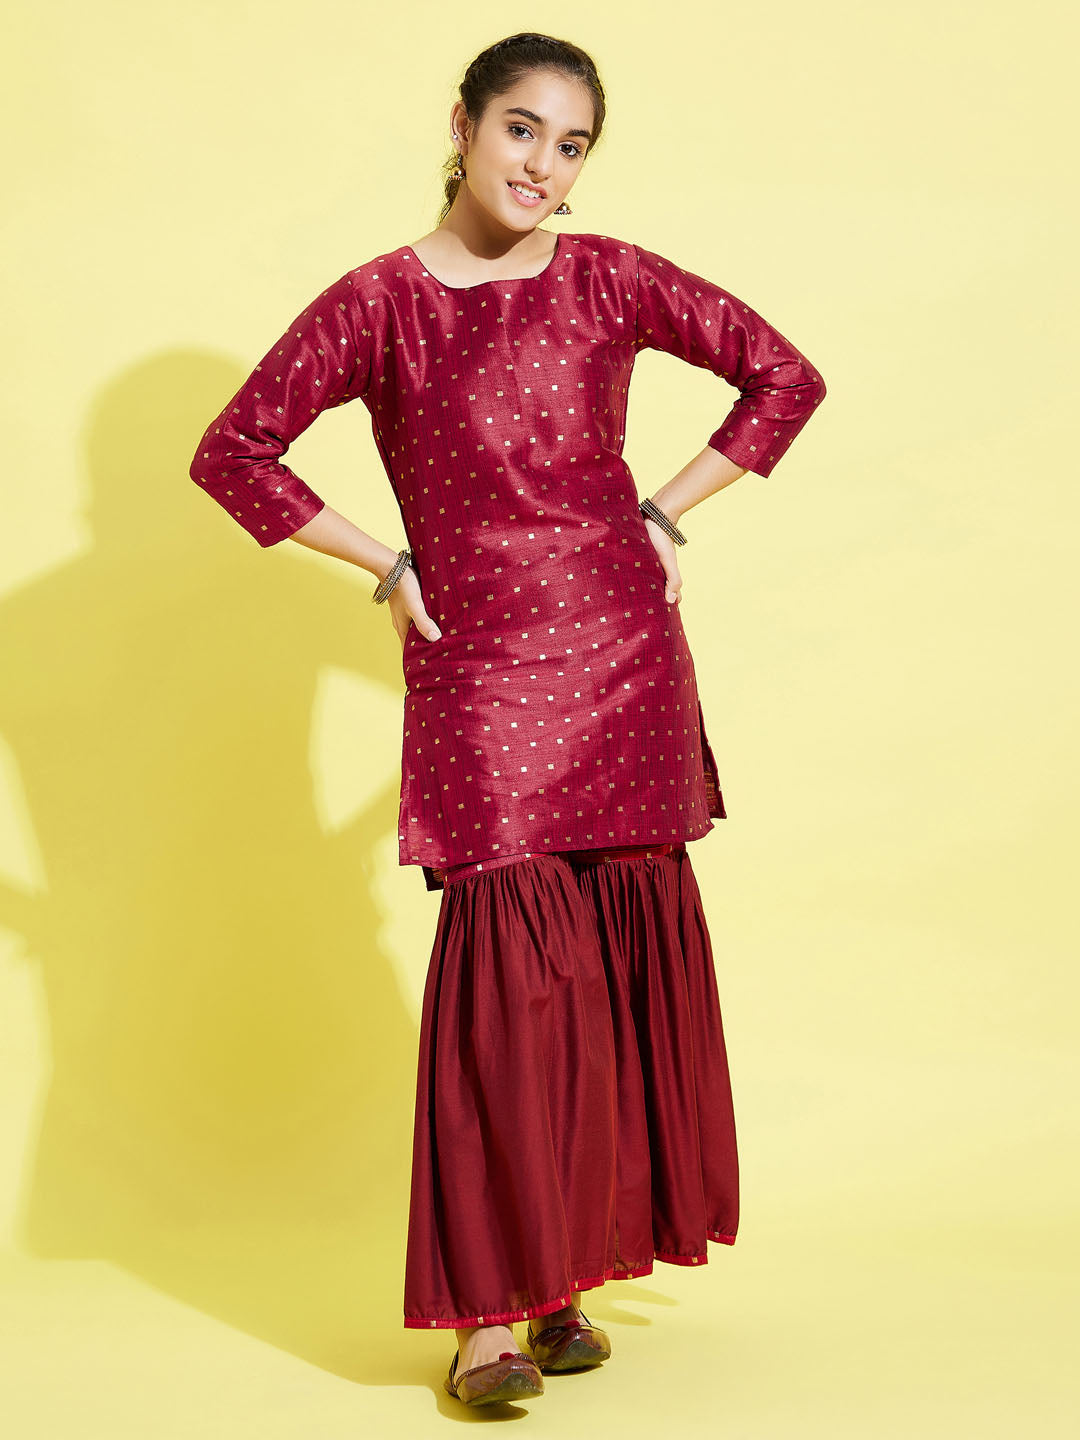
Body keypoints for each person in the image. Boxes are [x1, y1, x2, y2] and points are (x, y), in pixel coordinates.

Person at [188, 31, 826, 1409]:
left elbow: (787, 377)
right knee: (511, 991)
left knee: (602, 984)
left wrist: (664, 513)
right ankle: (485, 1318)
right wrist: (386, 565)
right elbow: (231, 452)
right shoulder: (381, 303)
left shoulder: (611, 277)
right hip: (480, 667)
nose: (543, 165)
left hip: (623, 657)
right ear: (465, 124)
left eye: (572, 144)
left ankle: (560, 1290)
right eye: (522, 129)